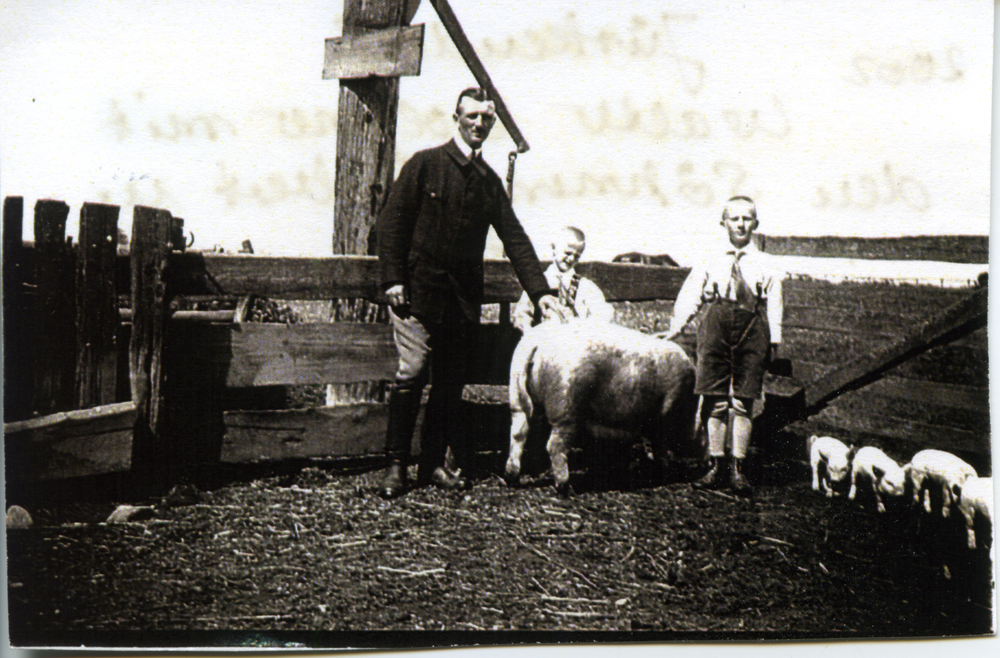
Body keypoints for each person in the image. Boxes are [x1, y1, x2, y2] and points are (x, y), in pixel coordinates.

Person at [376, 87, 560, 499]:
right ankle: (395, 466)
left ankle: (433, 464)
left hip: (459, 303)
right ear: (456, 118)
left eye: (487, 118)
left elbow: (515, 238)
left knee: (449, 383)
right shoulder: (426, 164)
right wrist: (393, 279)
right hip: (415, 296)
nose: (480, 124)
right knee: (413, 372)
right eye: (472, 116)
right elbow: (390, 225)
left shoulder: (488, 182)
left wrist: (540, 291)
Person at [661, 196, 784, 495]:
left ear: (756, 223)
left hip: (753, 330)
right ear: (724, 223)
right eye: (734, 218)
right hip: (714, 327)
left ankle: (737, 469)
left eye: (747, 218)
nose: (741, 224)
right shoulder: (710, 258)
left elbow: (775, 304)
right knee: (715, 400)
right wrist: (676, 327)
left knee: (743, 401)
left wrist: (775, 341)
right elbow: (690, 294)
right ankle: (715, 465)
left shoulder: (766, 263)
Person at [511, 225, 614, 332]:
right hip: (544, 340)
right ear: (554, 248)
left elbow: (604, 311)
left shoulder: (584, 285)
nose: (571, 259)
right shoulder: (537, 284)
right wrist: (528, 331)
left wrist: (588, 328)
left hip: (576, 340)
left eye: (577, 256)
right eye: (568, 253)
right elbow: (522, 313)